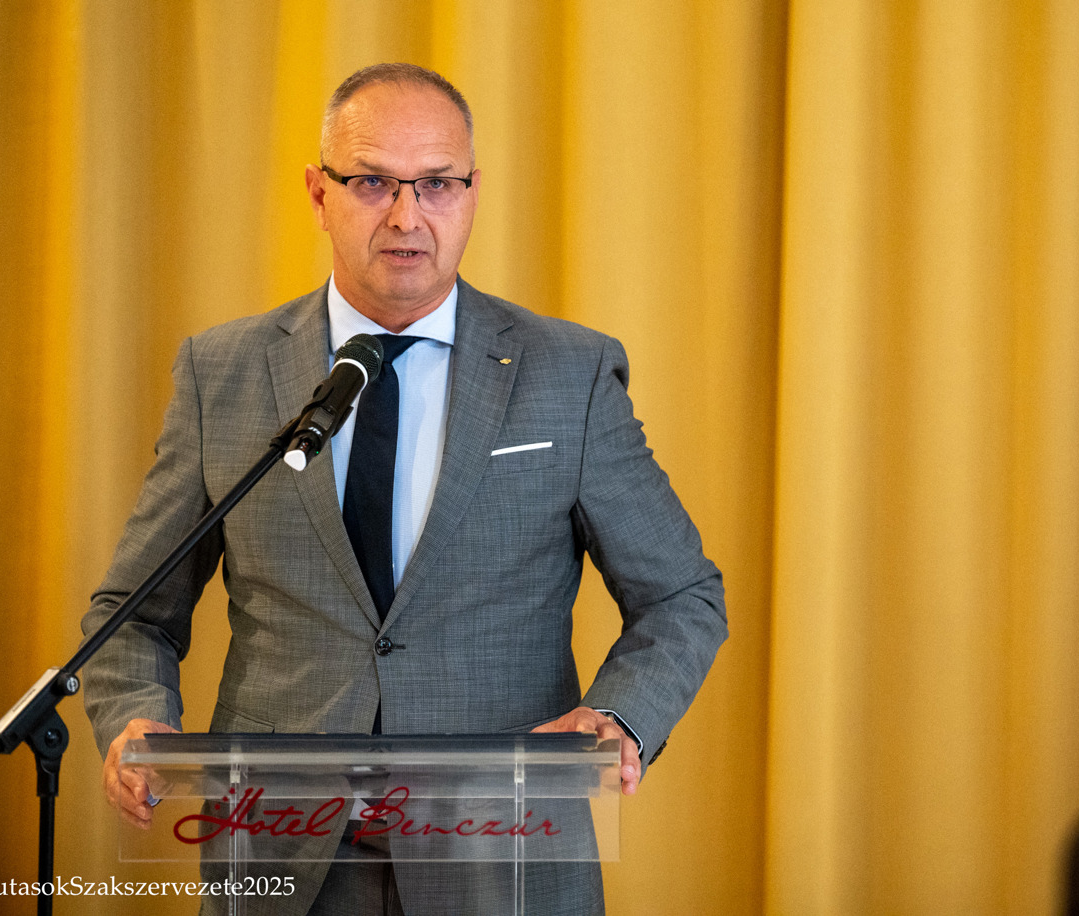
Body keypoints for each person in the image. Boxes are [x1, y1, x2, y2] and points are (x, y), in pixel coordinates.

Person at [81, 62, 727, 915]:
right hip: (282, 856)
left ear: (473, 192)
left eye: (437, 184)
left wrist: (620, 716)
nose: (406, 216)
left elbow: (682, 595)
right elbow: (133, 611)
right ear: (318, 194)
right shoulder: (224, 372)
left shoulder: (567, 374)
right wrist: (135, 714)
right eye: (372, 182)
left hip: (501, 856)